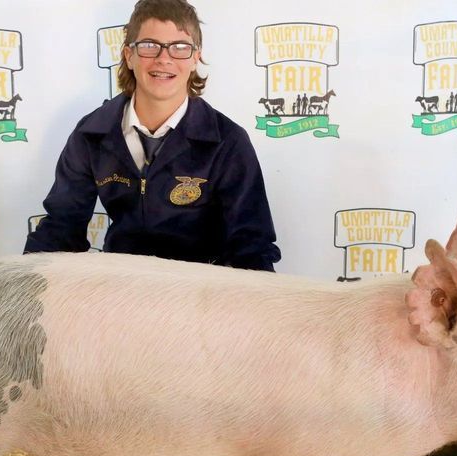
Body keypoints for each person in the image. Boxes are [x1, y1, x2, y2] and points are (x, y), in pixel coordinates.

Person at [24, 0, 280, 271]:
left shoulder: (228, 141)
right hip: (121, 283)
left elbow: (251, 246)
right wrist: (19, 282)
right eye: (149, 45)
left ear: (195, 58)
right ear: (129, 55)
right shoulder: (91, 133)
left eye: (179, 47)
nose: (164, 58)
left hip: (202, 288)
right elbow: (61, 228)